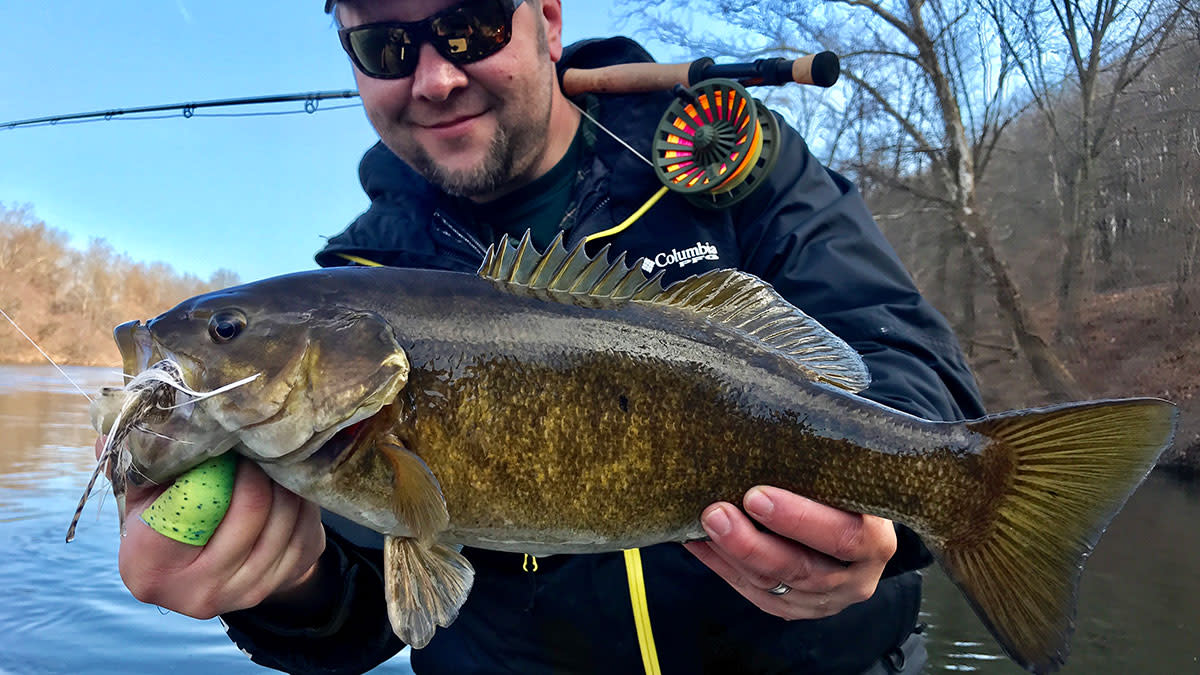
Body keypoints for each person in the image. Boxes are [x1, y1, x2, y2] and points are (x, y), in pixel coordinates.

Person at [106, 1, 986, 673]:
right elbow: (367, 603)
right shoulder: (355, 277)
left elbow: (913, 377)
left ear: (549, 20)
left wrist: (888, 520)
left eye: (472, 24)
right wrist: (277, 582)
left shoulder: (729, 158)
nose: (437, 77)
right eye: (386, 46)